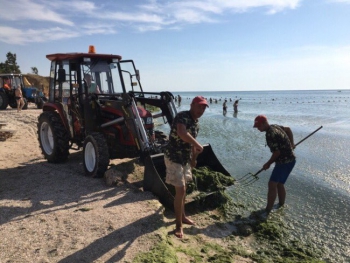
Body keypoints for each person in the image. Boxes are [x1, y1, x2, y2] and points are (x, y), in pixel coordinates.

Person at [164, 96, 209, 238]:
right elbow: (182, 134)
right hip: (173, 157)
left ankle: (182, 216)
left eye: (204, 108)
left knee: (184, 190)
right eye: (199, 106)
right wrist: (197, 144)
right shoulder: (182, 116)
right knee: (181, 190)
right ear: (192, 105)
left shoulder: (196, 123)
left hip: (185, 159)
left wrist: (194, 160)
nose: (201, 110)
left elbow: (192, 146)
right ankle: (178, 226)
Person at [253, 115, 296, 215]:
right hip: (291, 160)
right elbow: (288, 129)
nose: (258, 129)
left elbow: (277, 153)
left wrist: (268, 164)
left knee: (272, 184)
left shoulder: (270, 135)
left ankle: (267, 211)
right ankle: (281, 206)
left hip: (283, 162)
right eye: (257, 127)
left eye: (259, 126)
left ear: (264, 123)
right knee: (280, 184)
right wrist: (292, 144)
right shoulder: (275, 126)